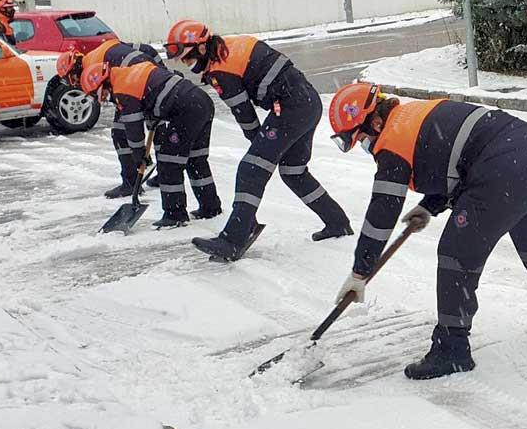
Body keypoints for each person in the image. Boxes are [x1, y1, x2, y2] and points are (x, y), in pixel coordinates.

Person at [327, 82, 527, 380]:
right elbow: (453, 160)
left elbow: (381, 214)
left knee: (456, 252)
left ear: (374, 122)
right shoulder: (414, 115)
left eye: (360, 141)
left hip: (504, 167)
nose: (366, 148)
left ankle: (451, 350)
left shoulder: (391, 140)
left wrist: (360, 271)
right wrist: (429, 206)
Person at [163, 20, 351, 261]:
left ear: (201, 49)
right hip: (308, 101)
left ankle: (234, 238)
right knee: (294, 172)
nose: (185, 64)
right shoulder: (229, 46)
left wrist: (260, 147)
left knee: (251, 170)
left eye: (186, 57)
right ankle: (337, 222)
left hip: (291, 107)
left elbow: (244, 114)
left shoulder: (221, 70)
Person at [79, 57, 220, 228]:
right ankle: (210, 207)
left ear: (103, 83)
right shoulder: (129, 74)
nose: (101, 99)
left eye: (98, 94)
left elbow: (133, 129)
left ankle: (174, 215)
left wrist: (139, 156)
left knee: (169, 163)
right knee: (195, 159)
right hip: (201, 102)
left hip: (186, 111)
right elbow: (156, 93)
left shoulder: (123, 88)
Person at [59, 41, 170, 198]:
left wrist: (137, 150)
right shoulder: (98, 52)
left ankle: (131, 183)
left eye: (70, 79)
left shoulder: (92, 69)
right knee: (157, 127)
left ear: (74, 71)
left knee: (120, 133)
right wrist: (162, 70)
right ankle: (165, 175)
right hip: (150, 80)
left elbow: (115, 93)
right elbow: (146, 49)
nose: (73, 84)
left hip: (136, 87)